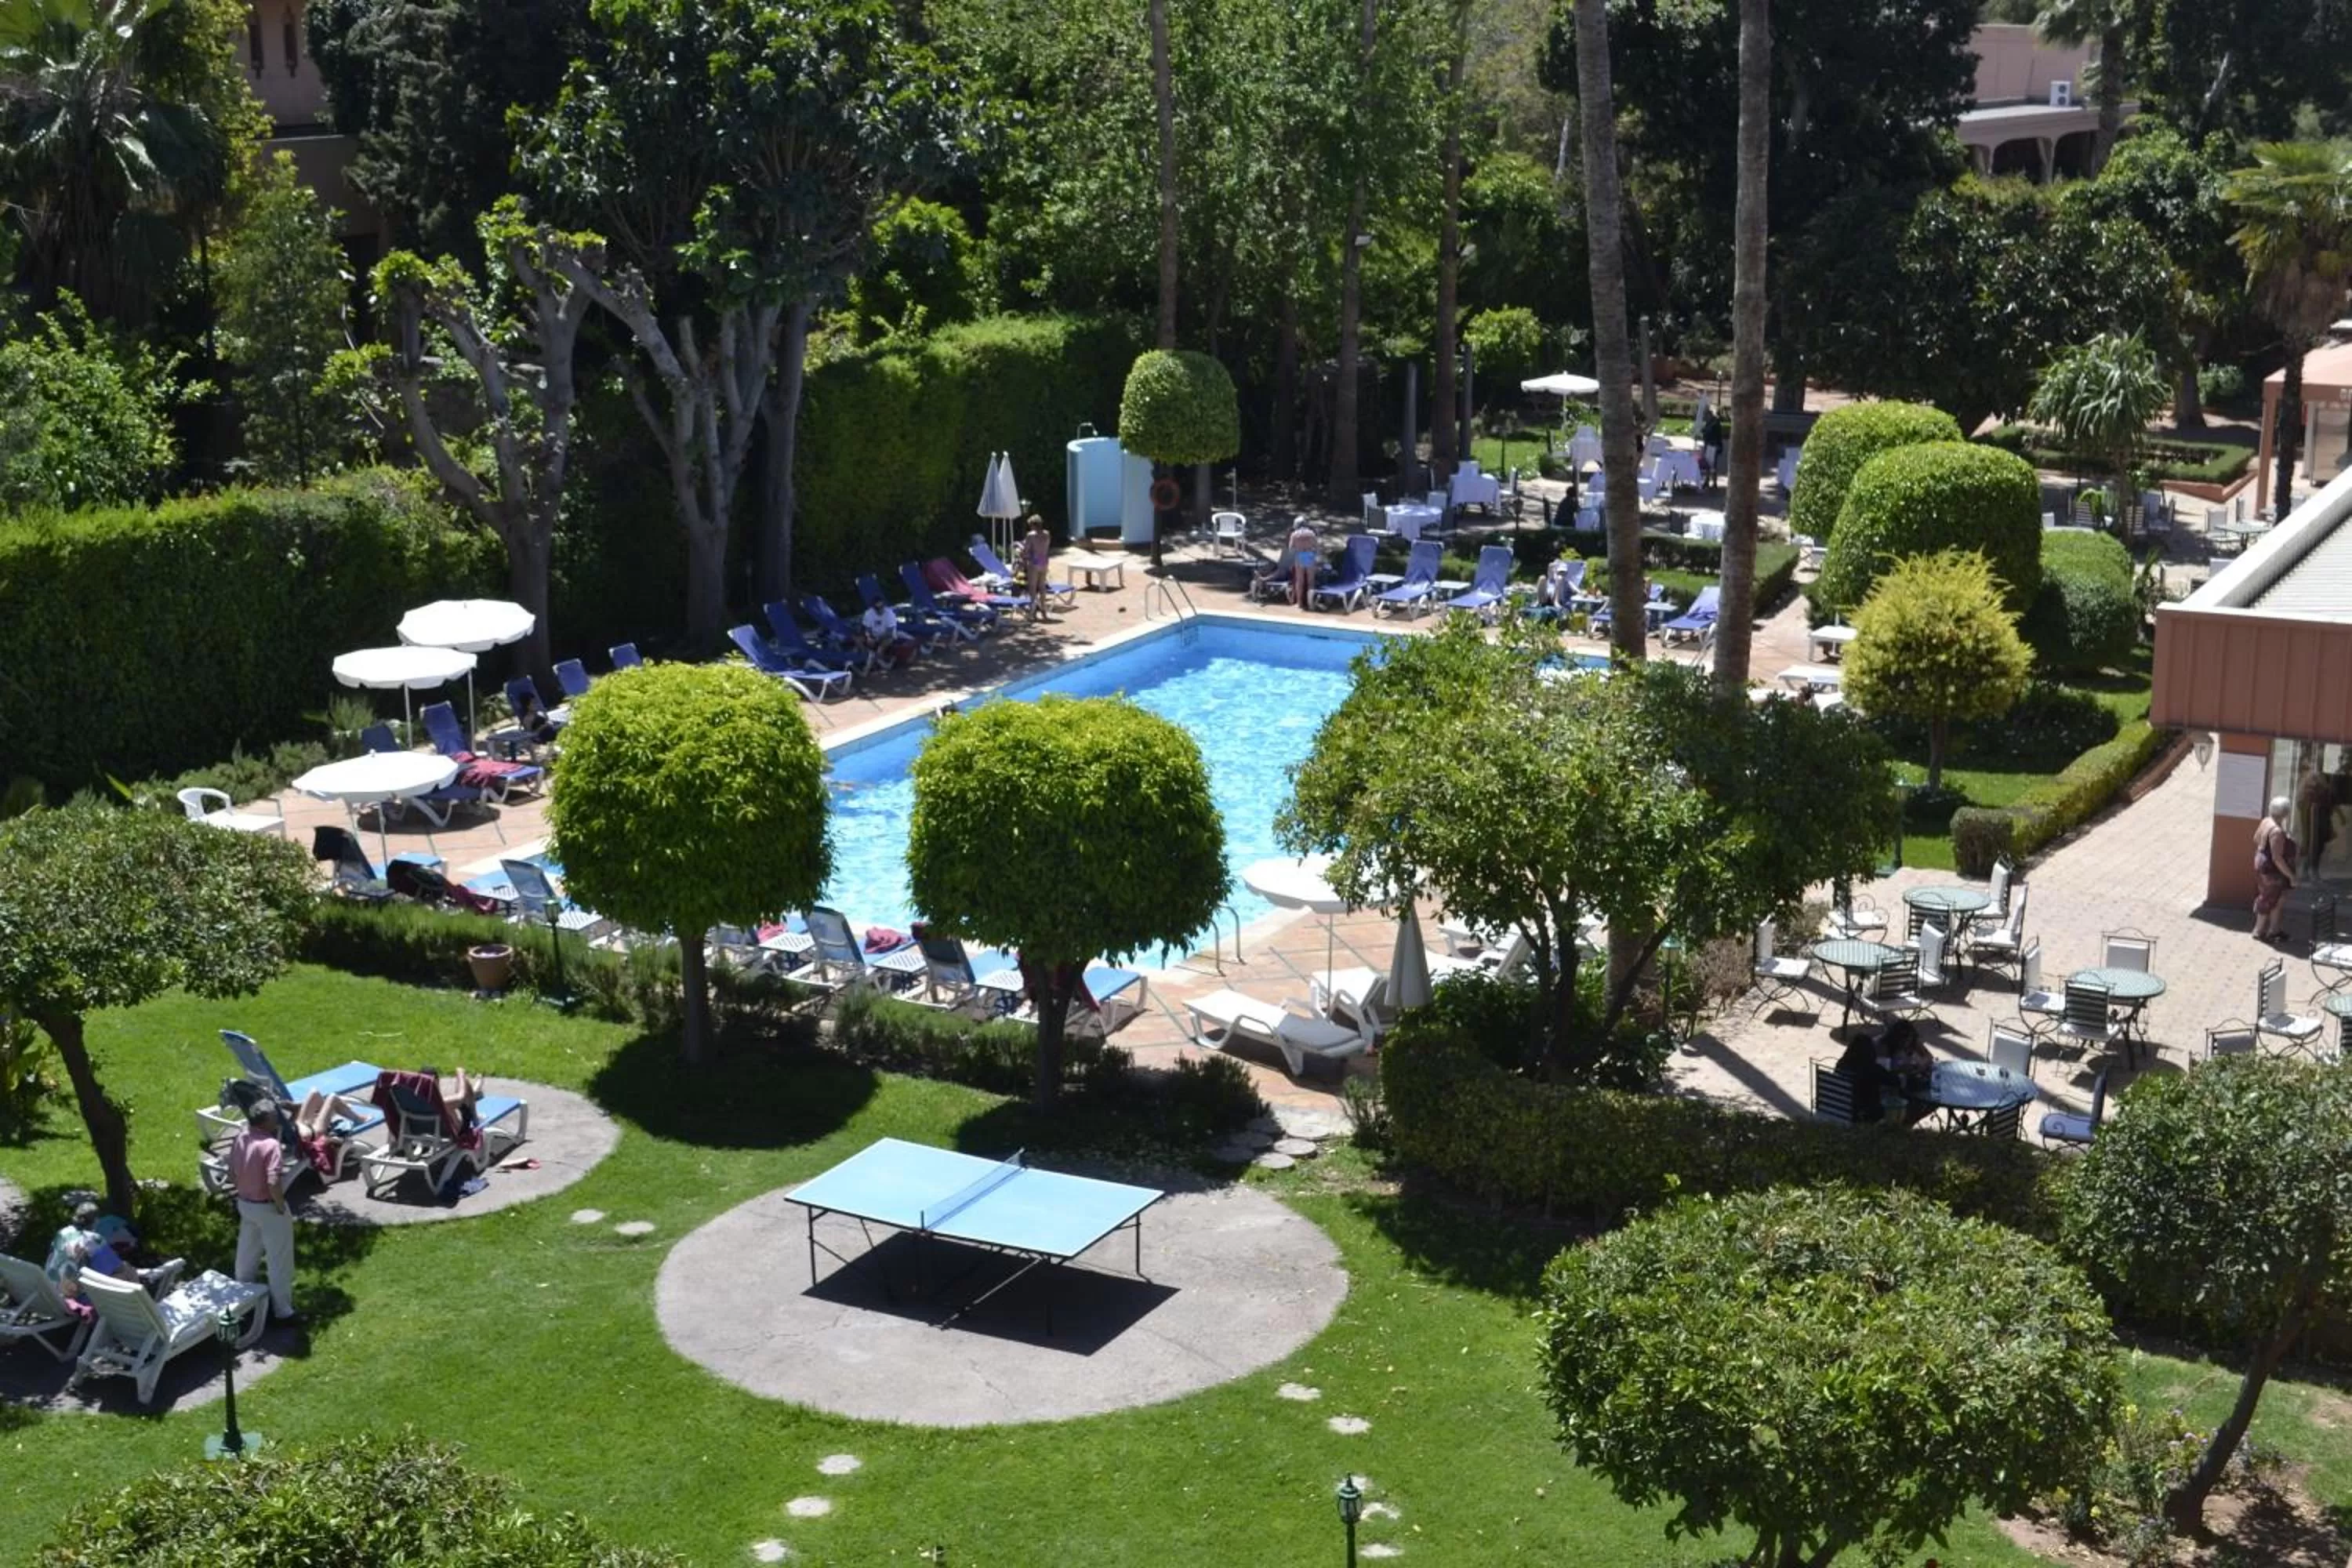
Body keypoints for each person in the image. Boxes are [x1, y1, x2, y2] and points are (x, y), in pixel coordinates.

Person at [230, 1098, 298, 1323]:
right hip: (267, 1208)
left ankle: (242, 1301)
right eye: (274, 1117)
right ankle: (283, 1311)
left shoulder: (241, 1138)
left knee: (246, 1255)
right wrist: (279, 1206)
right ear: (266, 1121)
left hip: (245, 1205)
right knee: (279, 1261)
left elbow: (232, 1173)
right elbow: (273, 1181)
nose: (278, 1120)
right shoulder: (271, 1145)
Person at [2253, 794, 2298, 943]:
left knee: (2275, 898)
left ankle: (2273, 930)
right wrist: (2291, 876)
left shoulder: (2266, 822)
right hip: (2272, 872)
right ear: (2285, 814)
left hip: (2261, 865)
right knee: (2270, 899)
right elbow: (2277, 858)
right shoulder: (2277, 832)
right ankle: (2260, 931)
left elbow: (2256, 839)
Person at [858, 599, 919, 670]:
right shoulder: (869, 613)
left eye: (881, 607)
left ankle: (879, 663)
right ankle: (865, 658)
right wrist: (869, 637)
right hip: (873, 635)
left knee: (881, 648)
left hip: (887, 636)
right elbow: (866, 628)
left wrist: (877, 639)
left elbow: (889, 632)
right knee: (859, 640)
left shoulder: (889, 614)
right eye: (877, 608)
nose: (880, 610)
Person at [1020, 516, 1054, 620]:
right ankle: (1043, 609)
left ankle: (1032, 611)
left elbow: (1026, 551)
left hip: (1034, 562)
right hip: (1044, 561)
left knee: (1033, 588)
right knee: (1042, 586)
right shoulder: (1047, 534)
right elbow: (1046, 548)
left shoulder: (1031, 535)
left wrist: (1022, 553)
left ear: (1033, 525)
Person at [1287, 518, 1320, 608]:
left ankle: (1299, 603)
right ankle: (1311, 603)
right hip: (1309, 555)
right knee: (1311, 581)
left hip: (1299, 555)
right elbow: (1316, 547)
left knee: (1300, 581)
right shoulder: (1311, 534)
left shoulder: (1294, 534)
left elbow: (1291, 549)